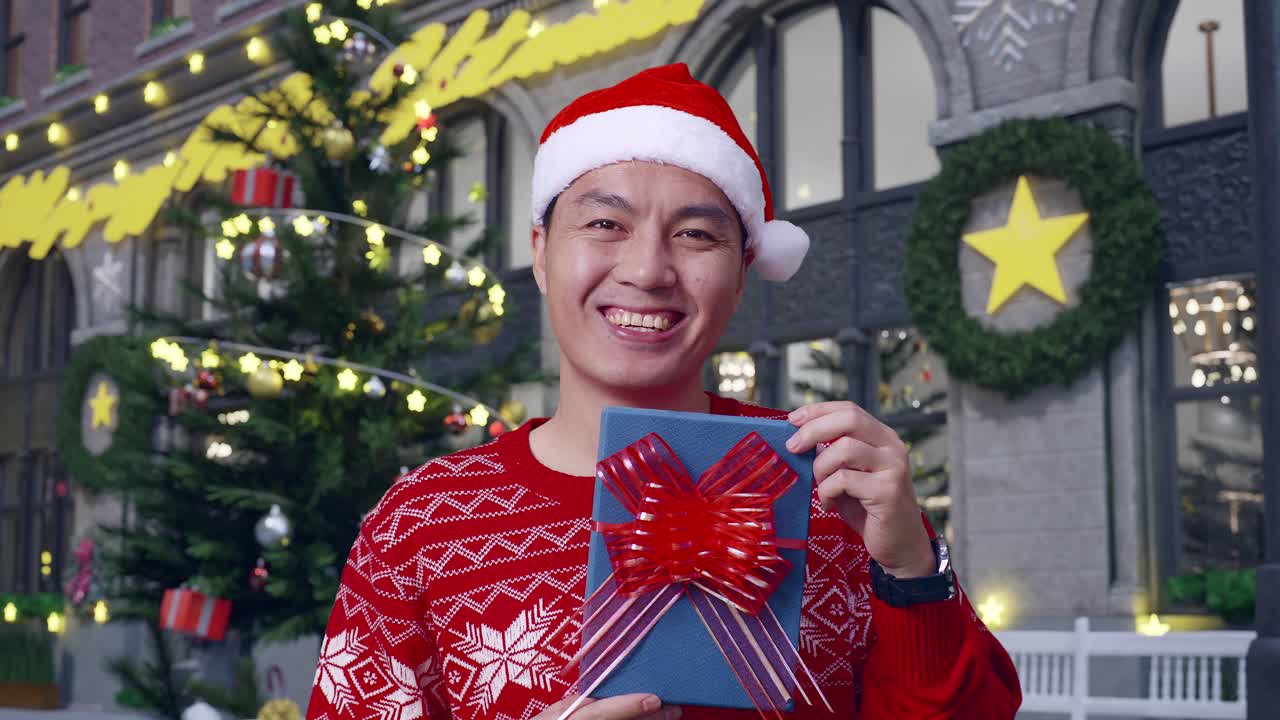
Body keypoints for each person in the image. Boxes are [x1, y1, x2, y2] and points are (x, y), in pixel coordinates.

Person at [306, 63, 1021, 720]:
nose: (648, 269)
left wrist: (911, 573)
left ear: (742, 274)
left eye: (696, 235)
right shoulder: (420, 526)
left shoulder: (832, 488)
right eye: (605, 224)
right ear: (541, 252)